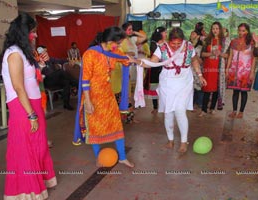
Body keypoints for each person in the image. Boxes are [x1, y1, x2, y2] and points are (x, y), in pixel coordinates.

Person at [0, 13, 56, 199]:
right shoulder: (14, 53)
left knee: (38, 144)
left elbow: (30, 77)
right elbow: (18, 86)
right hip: (22, 105)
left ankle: (40, 182)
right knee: (25, 147)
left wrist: (40, 63)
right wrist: (31, 114)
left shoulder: (24, 51)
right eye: (33, 32)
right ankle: (26, 191)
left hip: (32, 101)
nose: (36, 36)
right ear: (24, 33)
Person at [73, 26, 134, 168]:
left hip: (108, 96)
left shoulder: (114, 52)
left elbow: (125, 60)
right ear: (108, 41)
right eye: (117, 43)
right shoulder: (90, 54)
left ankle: (122, 158)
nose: (119, 47)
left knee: (116, 126)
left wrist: (134, 60)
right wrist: (87, 101)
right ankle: (98, 158)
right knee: (95, 128)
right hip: (92, 97)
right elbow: (85, 80)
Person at [139, 27, 207, 153]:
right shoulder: (162, 48)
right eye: (173, 43)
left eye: (178, 44)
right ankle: (170, 140)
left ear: (183, 41)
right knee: (168, 112)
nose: (176, 46)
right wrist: (138, 62)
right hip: (167, 82)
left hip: (184, 81)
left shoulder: (189, 46)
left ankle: (183, 141)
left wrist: (200, 75)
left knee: (180, 111)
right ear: (168, 40)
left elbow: (194, 61)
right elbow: (152, 62)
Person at [226, 23, 256, 118]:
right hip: (234, 71)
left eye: (243, 30)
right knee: (235, 92)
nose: (241, 32)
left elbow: (254, 58)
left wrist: (252, 72)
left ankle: (241, 112)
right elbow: (230, 56)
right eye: (240, 30)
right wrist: (227, 69)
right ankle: (234, 111)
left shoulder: (251, 43)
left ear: (247, 31)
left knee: (244, 92)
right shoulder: (233, 42)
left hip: (245, 71)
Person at [199, 22, 228, 116]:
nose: (215, 30)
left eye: (217, 28)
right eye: (213, 28)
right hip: (208, 68)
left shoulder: (224, 41)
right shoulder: (207, 40)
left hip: (218, 68)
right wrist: (211, 54)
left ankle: (212, 108)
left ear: (220, 30)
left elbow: (227, 55)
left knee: (216, 88)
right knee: (207, 88)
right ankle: (203, 110)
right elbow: (202, 54)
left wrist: (220, 53)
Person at [39, 45, 78, 110]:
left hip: (56, 79)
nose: (46, 53)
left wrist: (69, 60)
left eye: (46, 51)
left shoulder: (50, 59)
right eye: (44, 52)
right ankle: (77, 84)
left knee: (66, 82)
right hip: (47, 81)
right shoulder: (38, 62)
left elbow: (61, 60)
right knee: (61, 72)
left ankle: (66, 104)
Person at [144, 26, 167, 114]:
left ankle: (164, 106)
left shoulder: (166, 43)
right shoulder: (153, 43)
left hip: (163, 67)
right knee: (155, 87)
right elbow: (156, 56)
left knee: (164, 87)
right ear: (160, 33)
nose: (166, 34)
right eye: (165, 32)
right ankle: (155, 107)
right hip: (155, 68)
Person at [189, 30, 204, 110]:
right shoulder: (188, 45)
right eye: (191, 33)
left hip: (197, 69)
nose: (191, 35)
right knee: (190, 87)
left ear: (198, 36)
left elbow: (201, 61)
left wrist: (195, 55)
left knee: (198, 87)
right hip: (188, 70)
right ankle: (191, 103)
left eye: (194, 33)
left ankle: (199, 103)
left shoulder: (200, 47)